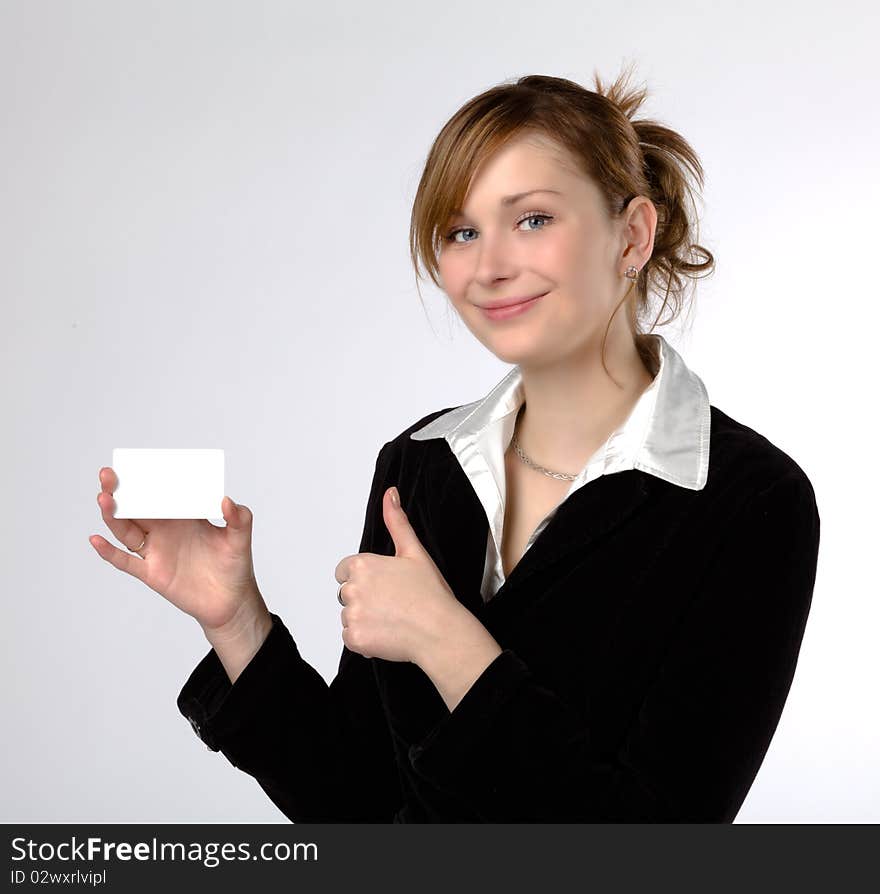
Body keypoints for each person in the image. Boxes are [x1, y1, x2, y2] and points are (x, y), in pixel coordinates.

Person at [90, 64, 821, 823]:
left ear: (632, 235)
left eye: (533, 218)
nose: (490, 267)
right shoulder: (420, 466)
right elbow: (358, 806)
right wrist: (236, 619)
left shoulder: (747, 499)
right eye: (461, 232)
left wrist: (450, 646)